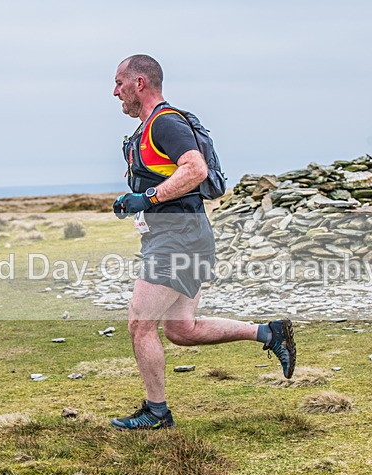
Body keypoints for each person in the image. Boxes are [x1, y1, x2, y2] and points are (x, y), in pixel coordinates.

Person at [110, 54, 296, 430]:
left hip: (179, 239)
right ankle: (268, 332)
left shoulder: (165, 123)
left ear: (140, 83)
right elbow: (168, 177)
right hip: (181, 235)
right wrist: (137, 202)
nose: (115, 92)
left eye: (119, 83)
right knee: (181, 330)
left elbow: (196, 169)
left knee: (139, 323)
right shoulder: (147, 128)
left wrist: (147, 200)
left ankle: (156, 413)